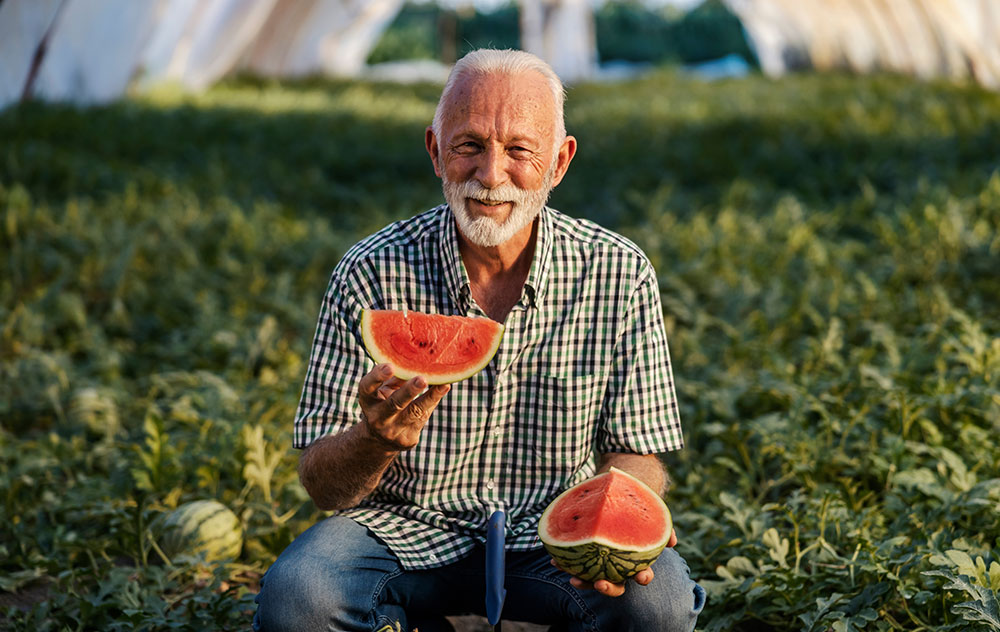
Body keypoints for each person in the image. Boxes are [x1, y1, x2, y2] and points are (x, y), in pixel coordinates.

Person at [253, 48, 705, 632]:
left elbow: (636, 450)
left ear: (559, 162)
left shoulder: (618, 272)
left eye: (520, 149)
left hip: (552, 543)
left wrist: (626, 510)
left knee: (660, 608)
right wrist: (374, 439)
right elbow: (322, 484)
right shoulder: (370, 273)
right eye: (468, 145)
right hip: (401, 531)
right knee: (299, 598)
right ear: (435, 151)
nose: (491, 176)